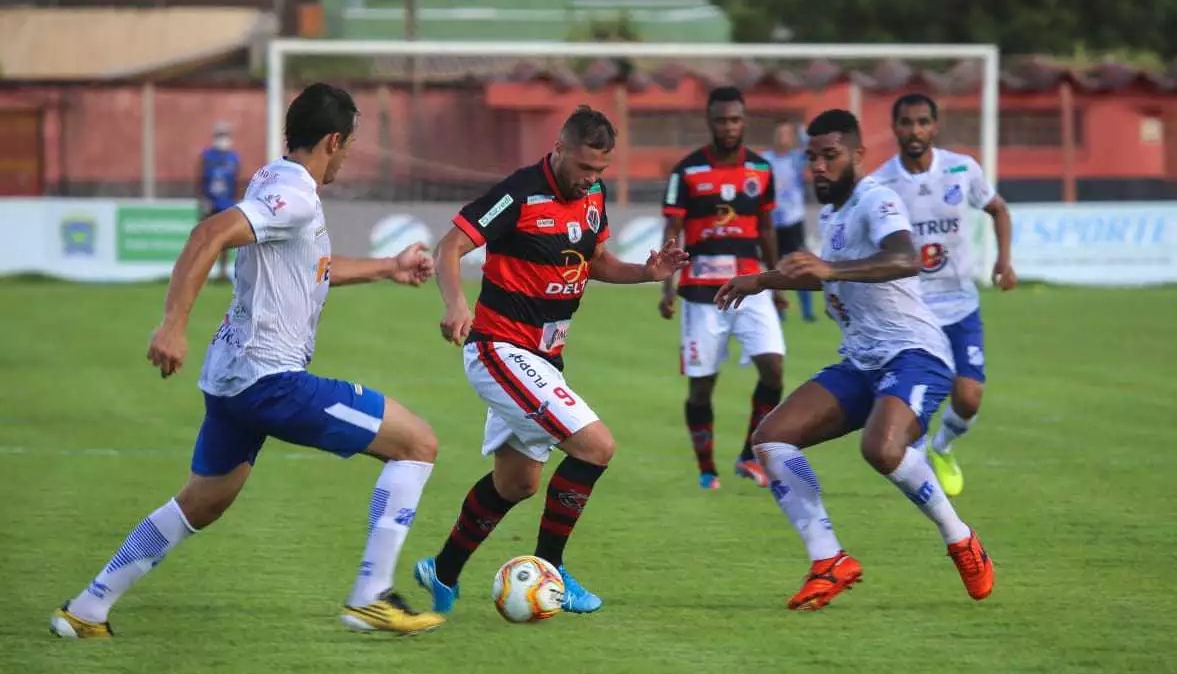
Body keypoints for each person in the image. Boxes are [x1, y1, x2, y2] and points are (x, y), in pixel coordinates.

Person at [49, 83, 445, 639]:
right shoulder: (297, 196)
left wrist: (388, 267)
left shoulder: (273, 179)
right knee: (417, 444)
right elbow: (208, 233)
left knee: (201, 502)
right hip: (271, 380)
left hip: (232, 381)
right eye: (349, 145)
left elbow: (311, 267)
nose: (348, 156)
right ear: (333, 140)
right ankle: (370, 596)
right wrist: (172, 324)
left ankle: (87, 609)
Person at [414, 105, 688, 616]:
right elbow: (451, 245)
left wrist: (647, 273)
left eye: (600, 171)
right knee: (596, 447)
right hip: (499, 348)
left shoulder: (593, 198)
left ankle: (442, 571)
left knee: (517, 483)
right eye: (584, 168)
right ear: (559, 148)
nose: (591, 180)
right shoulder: (518, 193)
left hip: (544, 358)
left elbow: (597, 262)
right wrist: (455, 304)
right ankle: (552, 570)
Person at [715, 109, 994, 611]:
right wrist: (759, 279)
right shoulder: (833, 214)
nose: (818, 166)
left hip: (914, 353)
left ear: (857, 156)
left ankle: (960, 538)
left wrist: (828, 265)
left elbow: (904, 258)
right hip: (862, 359)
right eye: (812, 157)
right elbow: (824, 274)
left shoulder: (877, 199)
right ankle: (829, 560)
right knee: (770, 439)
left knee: (881, 449)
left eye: (830, 156)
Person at [871, 93, 1017, 497]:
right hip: (913, 310)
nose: (914, 131)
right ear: (894, 127)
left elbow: (999, 210)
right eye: (906, 123)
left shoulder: (960, 169)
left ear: (934, 126)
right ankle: (914, 463)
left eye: (922, 122)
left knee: (969, 398)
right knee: (916, 398)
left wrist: (1004, 261)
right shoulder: (882, 183)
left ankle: (942, 447)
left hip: (961, 304)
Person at [659, 86, 786, 491]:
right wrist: (667, 285)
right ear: (709, 122)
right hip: (701, 293)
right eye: (720, 120)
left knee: (774, 368)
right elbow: (672, 229)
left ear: (744, 122)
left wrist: (777, 278)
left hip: (751, 285)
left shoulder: (762, 171)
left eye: (735, 119)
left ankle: (750, 455)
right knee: (702, 386)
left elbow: (766, 228)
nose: (728, 127)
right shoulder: (687, 172)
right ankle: (707, 469)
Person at [762, 119, 816, 322]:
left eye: (786, 134)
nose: (782, 138)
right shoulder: (766, 159)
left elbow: (812, 155)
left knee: (800, 264)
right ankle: (779, 308)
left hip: (793, 220)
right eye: (779, 134)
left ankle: (807, 311)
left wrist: (805, 135)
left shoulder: (797, 159)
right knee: (774, 266)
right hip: (772, 222)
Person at [198, 122, 241, 283]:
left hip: (227, 203)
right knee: (205, 238)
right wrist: (202, 199)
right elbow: (201, 179)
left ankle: (222, 272)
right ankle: (202, 271)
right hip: (211, 202)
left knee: (224, 240)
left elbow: (236, 180)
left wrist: (236, 201)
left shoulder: (233, 157)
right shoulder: (207, 156)